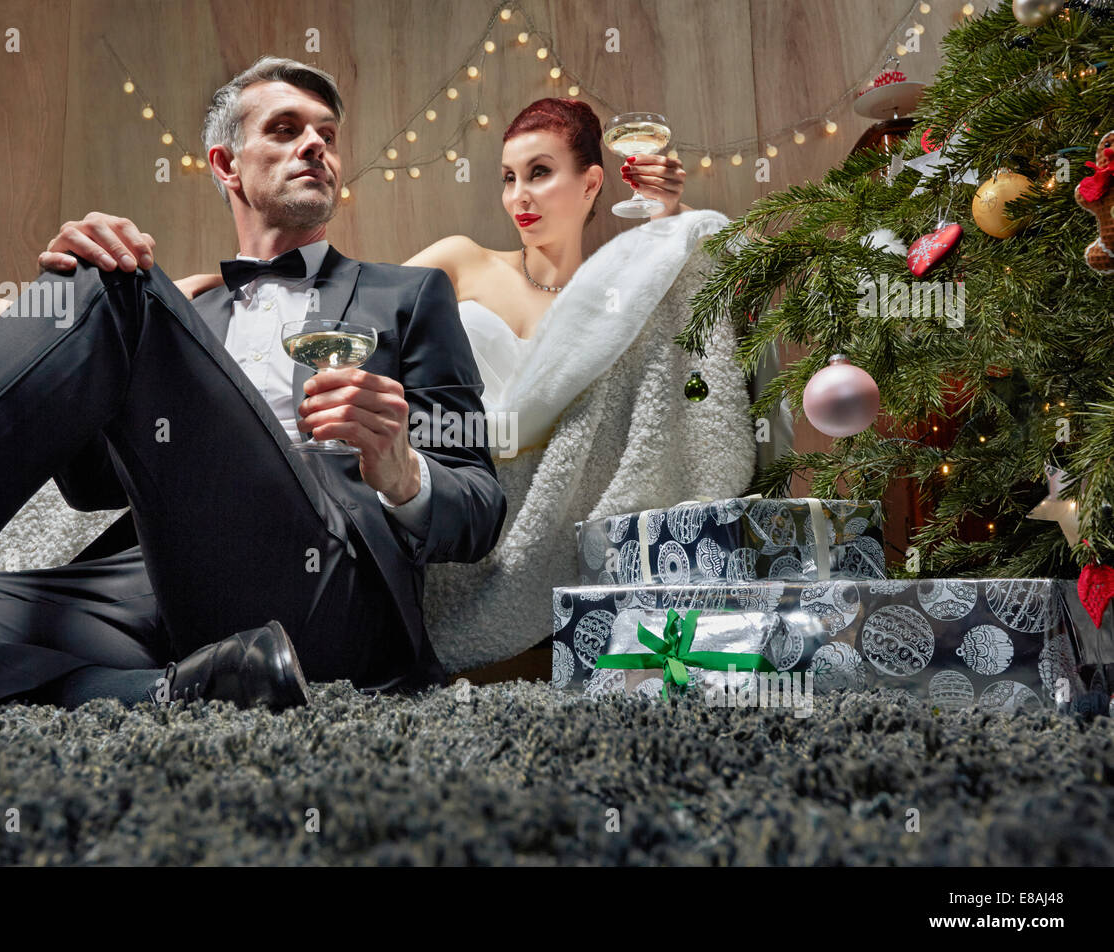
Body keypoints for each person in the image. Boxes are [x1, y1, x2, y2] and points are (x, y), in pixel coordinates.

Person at [0, 55, 506, 710]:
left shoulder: (411, 296)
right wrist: (66, 317)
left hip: (322, 583)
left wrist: (403, 472)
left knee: (111, 275)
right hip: (144, 586)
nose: (316, 146)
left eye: (328, 135)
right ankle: (158, 691)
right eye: (287, 130)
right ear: (224, 164)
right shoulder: (180, 317)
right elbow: (93, 486)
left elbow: (478, 510)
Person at [39, 98, 754, 674]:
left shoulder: (617, 292)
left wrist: (664, 230)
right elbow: (340, 313)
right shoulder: (460, 261)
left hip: (476, 486)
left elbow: (636, 354)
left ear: (594, 182)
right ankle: (184, 679)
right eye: (508, 177)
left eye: (540, 173)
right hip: (354, 476)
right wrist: (207, 298)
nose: (520, 195)